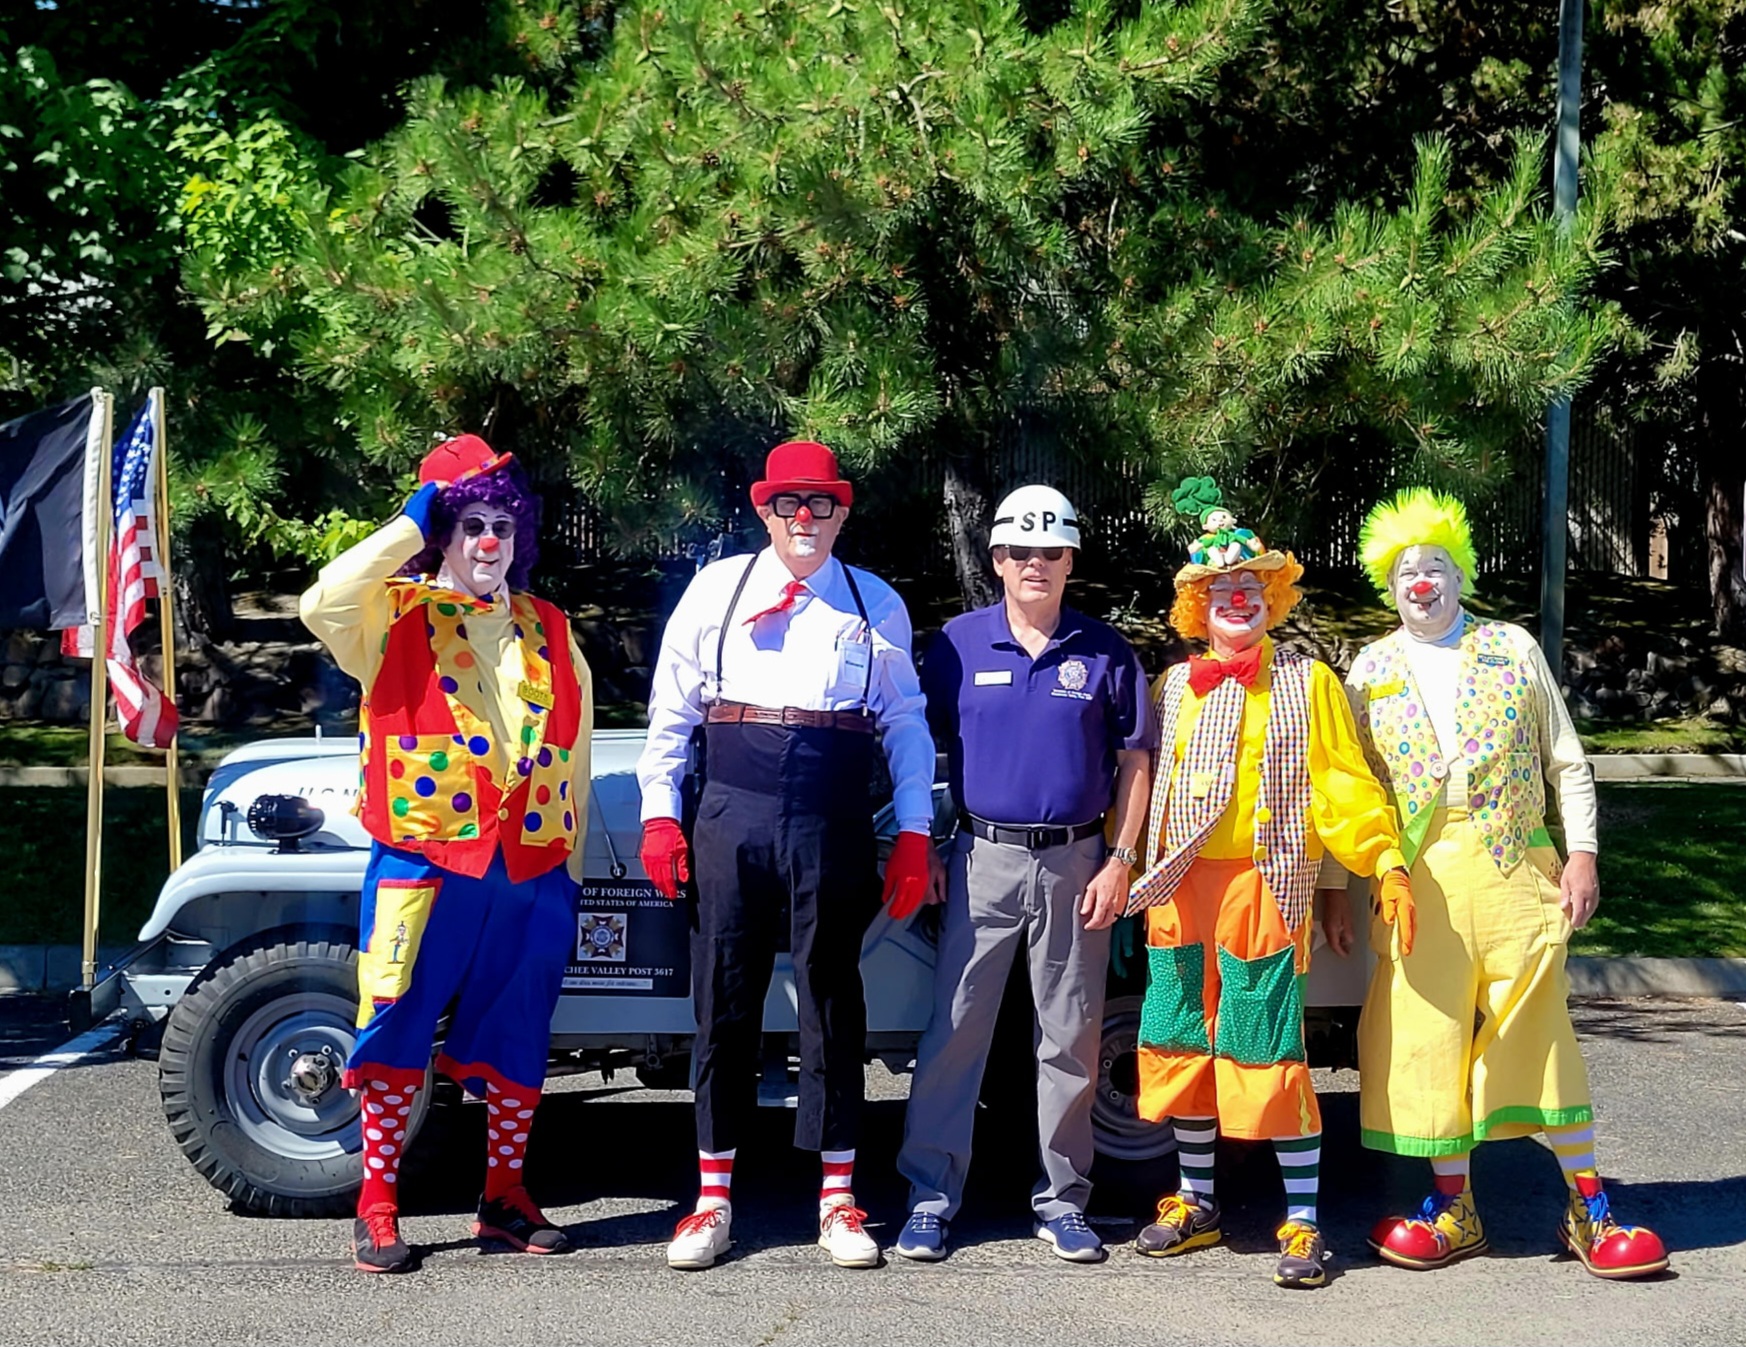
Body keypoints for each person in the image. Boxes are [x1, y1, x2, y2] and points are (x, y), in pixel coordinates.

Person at [1329, 487, 1668, 1280]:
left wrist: (1582, 852)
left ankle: (1591, 1206)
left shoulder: (1513, 648)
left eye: (1437, 566)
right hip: (1417, 882)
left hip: (1516, 863)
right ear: (1389, 581)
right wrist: (1327, 891)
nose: (1422, 582)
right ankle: (1456, 1207)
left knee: (1542, 1027)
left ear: (1460, 572)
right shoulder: (1369, 667)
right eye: (1408, 569)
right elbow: (1345, 786)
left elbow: (1566, 758)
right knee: (1425, 1039)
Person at [635, 440, 936, 1271]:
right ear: (764, 510)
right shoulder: (717, 589)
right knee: (722, 996)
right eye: (788, 506)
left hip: (832, 810)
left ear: (843, 511)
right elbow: (671, 715)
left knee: (832, 996)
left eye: (822, 505)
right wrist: (662, 817)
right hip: (733, 804)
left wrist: (912, 830)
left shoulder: (873, 602)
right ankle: (713, 1196)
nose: (804, 521)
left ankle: (839, 1196)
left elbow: (905, 723)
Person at [299, 434, 593, 1274]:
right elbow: (320, 600)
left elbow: (570, 751)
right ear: (442, 533)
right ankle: (378, 1201)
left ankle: (503, 1194)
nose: (488, 541)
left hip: (530, 867)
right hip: (423, 863)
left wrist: (565, 870)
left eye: (501, 522)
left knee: (518, 1029)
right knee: (393, 1021)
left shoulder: (549, 626)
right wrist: (409, 524)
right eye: (468, 523)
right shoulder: (388, 616)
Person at [1125, 478, 1413, 1289]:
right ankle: (1196, 1201)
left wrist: (1381, 859)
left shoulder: (1308, 680)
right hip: (1181, 888)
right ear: (1198, 609)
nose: (1238, 600)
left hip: (1263, 883)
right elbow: (1148, 783)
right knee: (1181, 1038)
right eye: (1222, 592)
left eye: (1251, 588)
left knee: (1267, 1044)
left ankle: (1304, 1220)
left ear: (1271, 598)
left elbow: (1344, 782)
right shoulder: (1175, 685)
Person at [893, 486, 1154, 1265]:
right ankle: (930, 1198)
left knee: (1068, 1037)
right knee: (955, 1031)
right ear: (997, 560)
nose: (1034, 564)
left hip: (1078, 859)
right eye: (1019, 552)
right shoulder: (957, 644)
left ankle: (1063, 1199)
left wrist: (1121, 856)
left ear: (1070, 559)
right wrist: (930, 842)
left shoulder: (1105, 649)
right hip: (981, 856)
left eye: (1051, 551)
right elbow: (921, 747)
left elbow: (1137, 759)